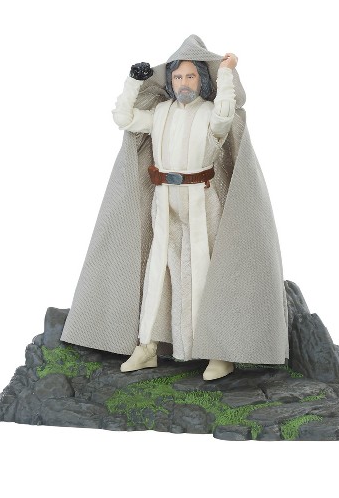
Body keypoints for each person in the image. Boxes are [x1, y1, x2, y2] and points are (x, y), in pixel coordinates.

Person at [61, 35, 289, 380]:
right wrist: (133, 81)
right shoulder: (160, 113)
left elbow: (225, 117)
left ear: (202, 80)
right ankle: (148, 345)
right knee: (159, 270)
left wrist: (226, 73)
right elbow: (124, 118)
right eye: (178, 76)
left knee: (203, 270)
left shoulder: (210, 112)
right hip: (164, 197)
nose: (184, 82)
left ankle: (216, 350)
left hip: (200, 197)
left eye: (191, 76)